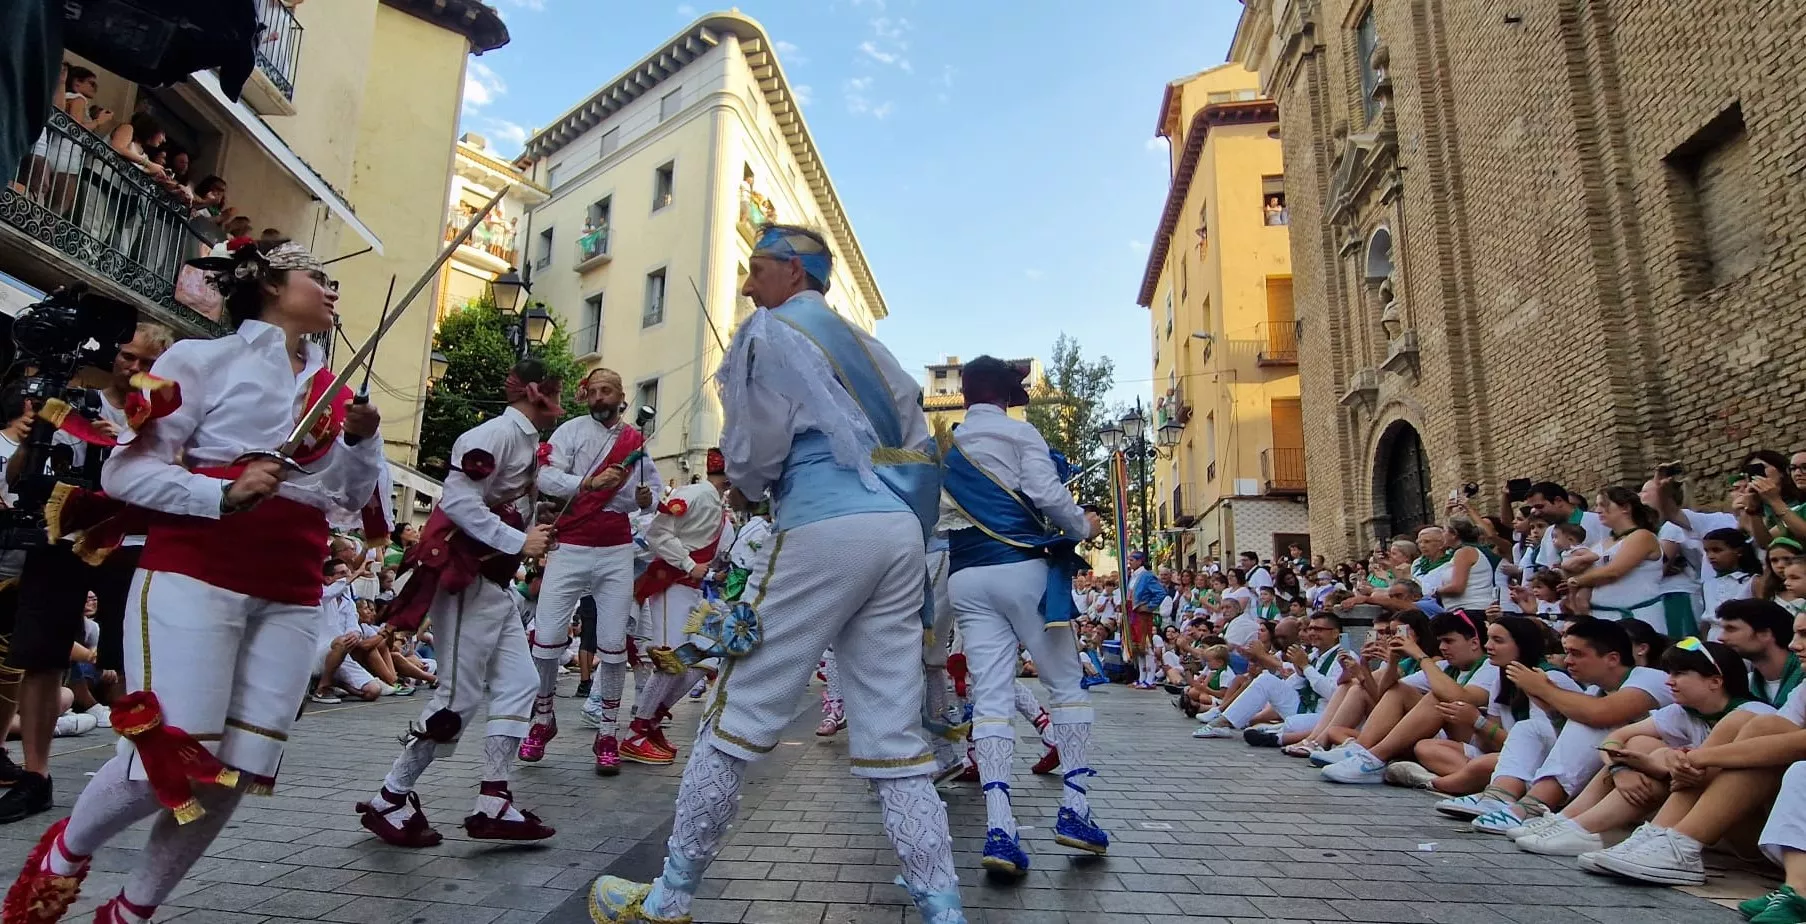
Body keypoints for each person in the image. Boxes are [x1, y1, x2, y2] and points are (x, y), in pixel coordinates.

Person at [587, 225, 963, 924]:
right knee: (893, 736)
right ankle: (943, 908)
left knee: (737, 711)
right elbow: (916, 450)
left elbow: (755, 452)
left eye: (758, 269)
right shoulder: (872, 351)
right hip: (895, 534)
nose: (748, 283)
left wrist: (751, 483)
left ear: (793, 271)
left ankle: (669, 896)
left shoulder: (768, 334)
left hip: (821, 524)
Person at [3, 239, 384, 923]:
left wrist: (361, 442)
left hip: (294, 589)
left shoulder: (338, 394)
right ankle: (62, 856)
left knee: (233, 770)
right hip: (196, 570)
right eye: (317, 276)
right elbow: (126, 472)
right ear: (268, 282)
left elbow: (345, 503)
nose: (331, 290)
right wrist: (222, 496)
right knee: (176, 754)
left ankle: (131, 911)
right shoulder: (201, 360)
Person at [357, 358, 559, 848]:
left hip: (492, 584)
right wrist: (518, 541)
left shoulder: (525, 442)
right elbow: (459, 502)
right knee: (456, 700)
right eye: (554, 392)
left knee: (520, 683)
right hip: (465, 579)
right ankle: (390, 796)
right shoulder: (492, 436)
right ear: (535, 391)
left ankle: (494, 799)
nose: (559, 403)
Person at [938, 356, 1103, 878]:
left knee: (989, 698)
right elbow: (1049, 496)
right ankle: (1076, 809)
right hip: (1022, 571)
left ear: (964, 395)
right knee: (1066, 687)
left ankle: (1000, 827)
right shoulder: (1019, 435)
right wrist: (1084, 525)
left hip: (964, 577)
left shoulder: (949, 448)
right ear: (1009, 396)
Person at [524, 368, 660, 770]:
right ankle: (543, 717)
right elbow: (546, 475)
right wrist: (589, 484)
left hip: (616, 550)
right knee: (546, 638)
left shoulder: (635, 442)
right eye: (594, 391)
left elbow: (648, 501)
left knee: (615, 645)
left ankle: (608, 732)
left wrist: (644, 497)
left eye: (608, 391)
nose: (600, 397)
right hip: (570, 545)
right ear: (586, 396)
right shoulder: (569, 432)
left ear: (622, 396)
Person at [617, 448, 731, 767]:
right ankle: (636, 734)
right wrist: (688, 563)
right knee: (673, 659)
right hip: (670, 584)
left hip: (694, 591)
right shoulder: (693, 494)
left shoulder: (719, 503)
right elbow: (657, 534)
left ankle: (650, 721)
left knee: (699, 664)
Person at [1125, 550, 1164, 689]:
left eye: (1132, 560)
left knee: (1146, 646)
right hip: (1132, 614)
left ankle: (1150, 678)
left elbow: (1160, 592)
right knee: (1137, 648)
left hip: (1142, 615)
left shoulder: (1147, 576)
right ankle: (1141, 678)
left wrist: (1149, 606)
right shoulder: (1132, 576)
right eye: (1129, 560)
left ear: (1140, 561)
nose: (1130, 562)